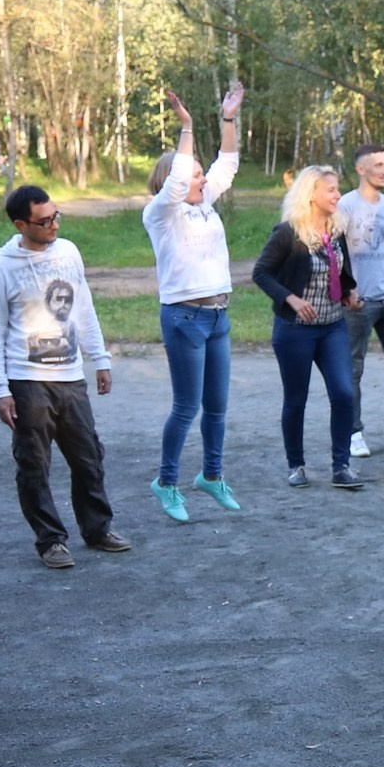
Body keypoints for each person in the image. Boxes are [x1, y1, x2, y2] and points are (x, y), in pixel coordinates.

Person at [0, 188, 131, 568]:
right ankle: (50, 540)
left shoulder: (68, 252)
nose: (54, 225)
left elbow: (85, 308)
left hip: (70, 375)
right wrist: (0, 390)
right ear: (20, 225)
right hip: (27, 378)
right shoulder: (2, 268)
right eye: (44, 221)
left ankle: (97, 529)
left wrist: (99, 358)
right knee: (34, 462)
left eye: (56, 216)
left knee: (88, 457)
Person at [143, 83, 246, 522]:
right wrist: (185, 127)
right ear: (176, 181)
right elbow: (183, 175)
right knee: (187, 406)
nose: (204, 180)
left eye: (202, 175)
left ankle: (211, 476)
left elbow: (229, 163)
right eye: (195, 176)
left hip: (218, 314)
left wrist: (228, 119)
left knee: (217, 407)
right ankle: (166, 482)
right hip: (184, 317)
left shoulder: (205, 204)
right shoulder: (160, 213)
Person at [252, 165, 366, 491]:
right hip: (296, 330)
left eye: (337, 190)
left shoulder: (337, 230)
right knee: (296, 399)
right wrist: (290, 298)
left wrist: (349, 293)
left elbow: (340, 272)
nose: (337, 195)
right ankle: (296, 465)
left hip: (332, 326)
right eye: (331, 190)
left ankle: (341, 466)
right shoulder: (289, 232)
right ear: (311, 194)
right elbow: (261, 273)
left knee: (344, 393)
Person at [339, 143, 384, 458]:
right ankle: (353, 432)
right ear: (361, 169)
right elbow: (334, 253)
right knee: (353, 369)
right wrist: (346, 289)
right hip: (358, 303)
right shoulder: (345, 205)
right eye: (378, 164)